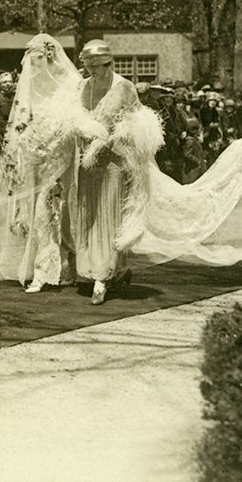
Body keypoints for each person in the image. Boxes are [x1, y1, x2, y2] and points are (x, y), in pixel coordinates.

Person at [0, 34, 105, 293]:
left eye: (38, 58)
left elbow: (77, 119)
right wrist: (26, 144)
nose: (32, 63)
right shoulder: (29, 85)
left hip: (62, 157)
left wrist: (55, 139)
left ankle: (63, 267)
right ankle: (49, 268)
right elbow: (20, 123)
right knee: (41, 213)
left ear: (49, 56)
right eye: (30, 58)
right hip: (36, 157)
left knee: (61, 210)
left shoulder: (69, 83)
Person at [69, 39, 161, 305]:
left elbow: (138, 127)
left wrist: (111, 140)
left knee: (109, 218)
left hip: (114, 164)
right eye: (88, 67)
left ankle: (104, 276)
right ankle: (97, 270)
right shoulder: (82, 87)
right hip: (88, 164)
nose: (93, 72)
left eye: (97, 67)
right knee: (90, 215)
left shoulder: (124, 88)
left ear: (110, 64)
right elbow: (75, 118)